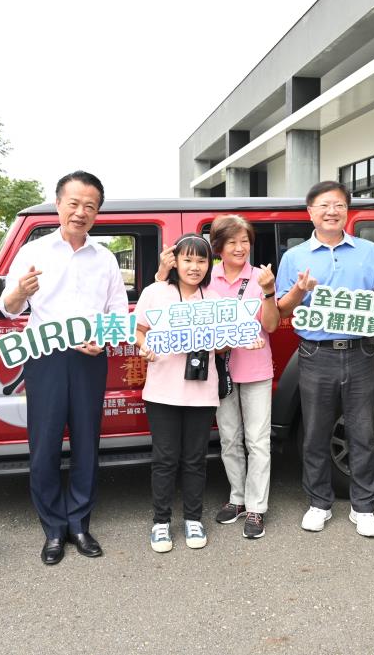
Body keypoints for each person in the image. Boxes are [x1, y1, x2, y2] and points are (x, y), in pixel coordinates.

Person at [0, 171, 127, 566]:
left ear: (97, 212)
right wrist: (19, 292)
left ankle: (79, 523)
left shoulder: (104, 258)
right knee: (45, 445)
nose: (80, 212)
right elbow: (7, 306)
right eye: (73, 203)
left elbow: (118, 313)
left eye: (90, 205)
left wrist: (104, 339)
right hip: (45, 359)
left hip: (90, 358)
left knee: (88, 443)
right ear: (58, 205)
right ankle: (53, 528)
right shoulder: (34, 251)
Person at [274, 181, 374, 538]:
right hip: (316, 355)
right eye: (324, 205)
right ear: (310, 211)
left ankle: (364, 508)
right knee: (315, 433)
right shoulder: (295, 257)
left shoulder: (369, 251)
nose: (332, 211)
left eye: (339, 205)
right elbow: (282, 308)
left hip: (360, 352)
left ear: (347, 211)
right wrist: (300, 289)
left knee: (362, 431)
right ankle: (319, 504)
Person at [136, 234, 226, 553]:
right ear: (175, 261)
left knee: (194, 460)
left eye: (202, 260)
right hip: (161, 391)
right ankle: (161, 523)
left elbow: (224, 343)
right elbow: (139, 330)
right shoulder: (156, 292)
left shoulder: (214, 300)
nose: (195, 266)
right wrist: (144, 347)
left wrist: (231, 339)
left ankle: (193, 519)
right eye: (188, 259)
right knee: (164, 459)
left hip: (202, 393)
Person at [205, 215, 280, 539]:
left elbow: (273, 325)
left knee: (258, 441)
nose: (240, 247)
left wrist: (268, 292)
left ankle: (256, 507)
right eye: (232, 241)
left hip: (256, 371)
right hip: (220, 372)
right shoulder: (207, 280)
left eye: (245, 241)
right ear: (219, 246)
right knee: (230, 439)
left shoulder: (260, 277)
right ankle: (237, 497)